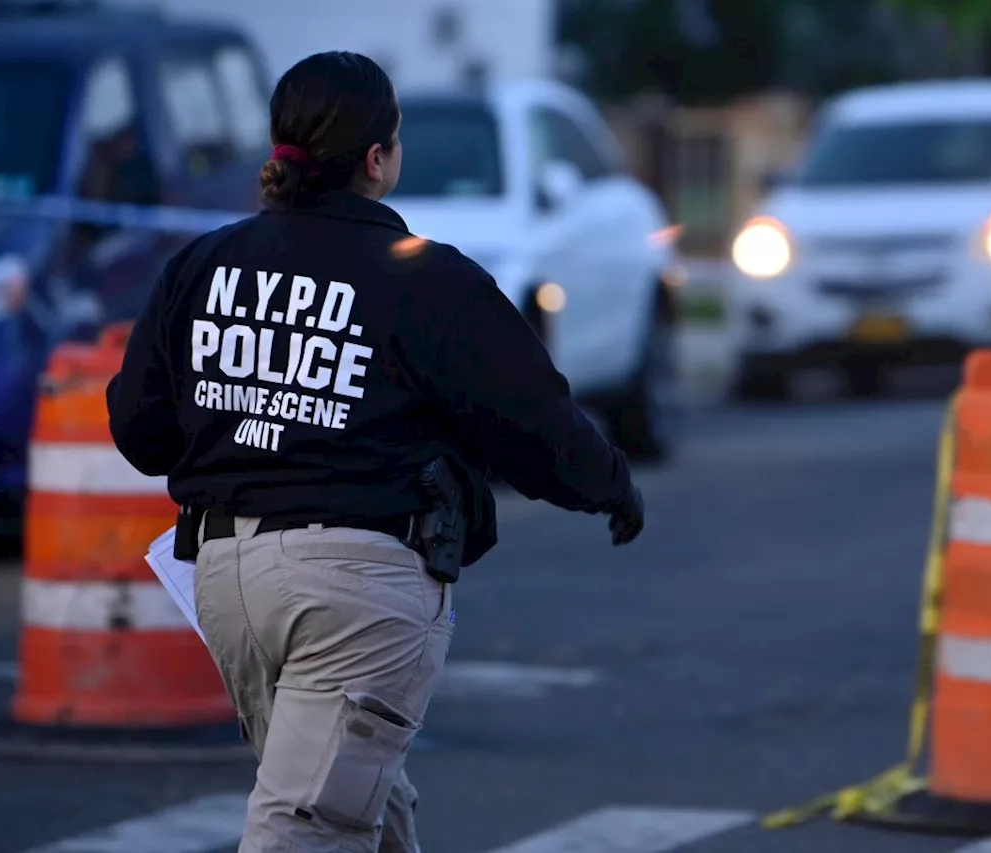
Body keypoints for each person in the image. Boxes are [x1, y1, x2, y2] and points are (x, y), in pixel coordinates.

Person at [105, 51, 644, 853]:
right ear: (377, 158)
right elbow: (533, 420)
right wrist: (609, 484)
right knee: (306, 826)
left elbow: (139, 429)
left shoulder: (205, 263)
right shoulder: (425, 279)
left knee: (355, 802)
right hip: (358, 590)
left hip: (226, 579)